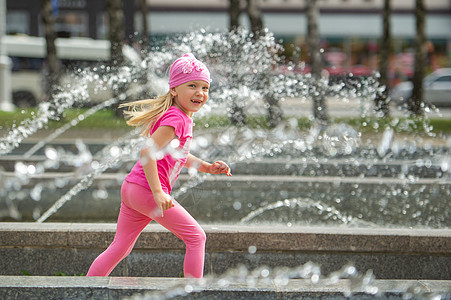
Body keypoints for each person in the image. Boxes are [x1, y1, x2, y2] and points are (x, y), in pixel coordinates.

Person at [86, 53, 232, 278]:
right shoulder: (178, 119)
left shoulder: (179, 116)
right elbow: (147, 152)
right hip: (147, 191)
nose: (200, 93)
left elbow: (178, 154)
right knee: (196, 237)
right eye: (192, 85)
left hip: (133, 188)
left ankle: (86, 289)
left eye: (205, 87)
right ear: (174, 89)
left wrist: (207, 166)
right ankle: (192, 293)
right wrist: (158, 192)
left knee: (120, 248)